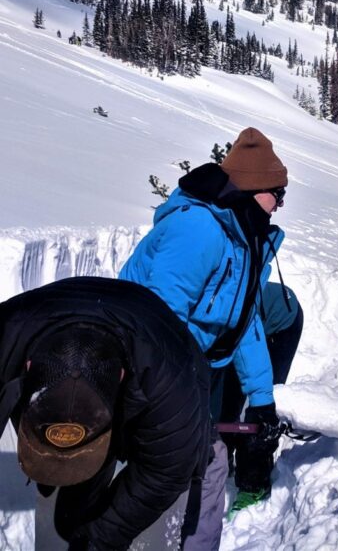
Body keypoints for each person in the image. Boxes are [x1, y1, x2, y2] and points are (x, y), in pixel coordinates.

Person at [119, 127, 303, 540]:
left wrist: (262, 400)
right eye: (278, 194)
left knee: (210, 463)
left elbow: (246, 321)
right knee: (205, 463)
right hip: (148, 369)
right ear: (255, 190)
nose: (279, 206)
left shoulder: (243, 238)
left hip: (194, 363)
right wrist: (178, 406)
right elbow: (157, 325)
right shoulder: (201, 230)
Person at [0, 277, 210, 551]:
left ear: (121, 379)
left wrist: (100, 540)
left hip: (154, 338)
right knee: (63, 503)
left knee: (85, 515)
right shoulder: (4, 334)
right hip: (44, 317)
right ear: (28, 366)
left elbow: (164, 475)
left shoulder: (171, 383)